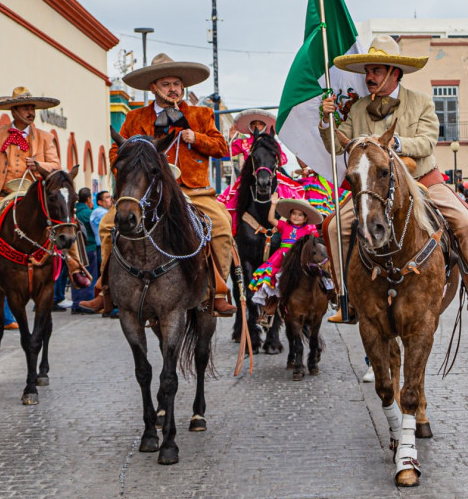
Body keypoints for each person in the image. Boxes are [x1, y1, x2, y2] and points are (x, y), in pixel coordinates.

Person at [319, 35, 468, 325]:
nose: (369, 77)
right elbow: (337, 147)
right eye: (368, 71)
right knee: (333, 226)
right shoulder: (357, 108)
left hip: (422, 181)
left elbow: (427, 142)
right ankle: (345, 299)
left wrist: (395, 144)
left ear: (394, 72)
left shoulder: (421, 101)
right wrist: (326, 122)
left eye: (376, 71)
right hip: (375, 188)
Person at [103, 53, 235, 316]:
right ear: (153, 87)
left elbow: (222, 147)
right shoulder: (135, 118)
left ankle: (218, 291)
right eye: (166, 84)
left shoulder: (201, 114)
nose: (173, 89)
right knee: (107, 225)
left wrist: (196, 138)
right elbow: (116, 153)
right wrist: (133, 167)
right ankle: (104, 290)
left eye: (177, 83)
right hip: (148, 192)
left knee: (221, 226)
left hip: (193, 190)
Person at [0, 87, 92, 300]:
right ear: (14, 111)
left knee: (68, 221)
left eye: (32, 108)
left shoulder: (45, 137)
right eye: (25, 108)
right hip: (3, 193)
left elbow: (56, 165)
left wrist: (39, 165)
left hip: (35, 193)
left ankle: (76, 266)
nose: (31, 112)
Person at [218, 108, 304, 229]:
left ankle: (292, 226)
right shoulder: (244, 142)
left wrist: (272, 159)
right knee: (227, 201)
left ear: (265, 126)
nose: (257, 126)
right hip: (249, 177)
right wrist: (230, 139)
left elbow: (283, 159)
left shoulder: (271, 142)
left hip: (270, 174)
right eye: (254, 124)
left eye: (260, 124)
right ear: (250, 126)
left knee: (291, 195)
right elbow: (227, 153)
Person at [250, 198, 323, 318]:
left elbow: (315, 243)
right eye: (294, 213)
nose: (296, 217)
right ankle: (268, 308)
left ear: (305, 218)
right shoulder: (284, 225)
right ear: (289, 215)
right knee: (272, 280)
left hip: (298, 257)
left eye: (300, 215)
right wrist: (273, 204)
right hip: (281, 258)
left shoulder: (308, 230)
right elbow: (271, 219)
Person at [71, 188, 99, 313]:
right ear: (88, 199)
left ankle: (76, 304)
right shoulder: (89, 213)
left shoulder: (73, 212)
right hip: (89, 247)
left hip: (74, 249)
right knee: (89, 277)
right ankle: (86, 303)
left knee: (76, 274)